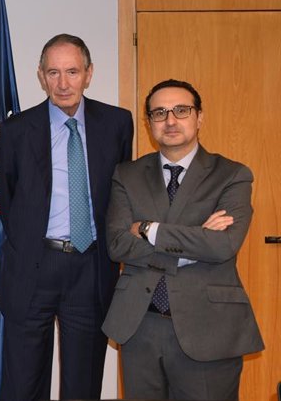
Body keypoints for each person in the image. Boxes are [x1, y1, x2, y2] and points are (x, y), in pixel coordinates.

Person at [0, 33, 133, 400]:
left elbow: (122, 191)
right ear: (41, 76)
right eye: (53, 73)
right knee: (23, 386)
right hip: (33, 266)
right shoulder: (15, 130)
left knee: (82, 386)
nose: (63, 83)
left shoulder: (117, 123)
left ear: (89, 74)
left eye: (72, 72)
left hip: (91, 267)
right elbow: (8, 199)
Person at [103, 79, 262, 400]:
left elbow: (223, 245)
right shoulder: (127, 175)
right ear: (149, 123)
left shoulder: (232, 175)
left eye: (181, 110)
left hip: (209, 327)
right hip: (140, 325)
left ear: (199, 117)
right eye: (159, 113)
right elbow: (117, 244)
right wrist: (195, 243)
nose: (171, 120)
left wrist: (149, 229)